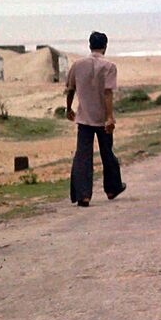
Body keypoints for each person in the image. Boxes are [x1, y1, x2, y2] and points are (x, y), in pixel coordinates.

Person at [65, 31, 125, 207]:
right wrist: (109, 117)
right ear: (105, 46)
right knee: (107, 152)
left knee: (83, 155)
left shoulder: (77, 65)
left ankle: (83, 195)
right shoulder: (109, 66)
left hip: (84, 117)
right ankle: (112, 188)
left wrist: (68, 108)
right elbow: (107, 92)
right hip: (101, 117)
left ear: (89, 45)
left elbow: (70, 89)